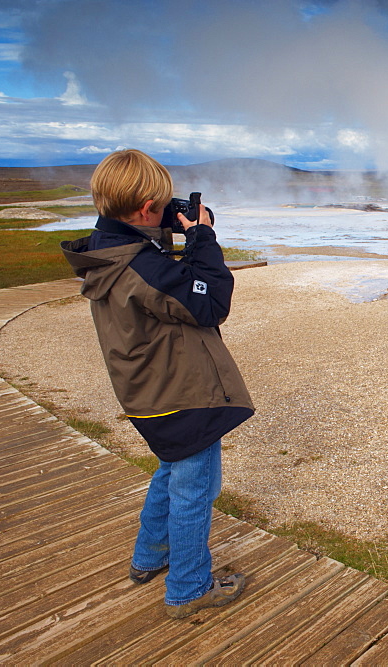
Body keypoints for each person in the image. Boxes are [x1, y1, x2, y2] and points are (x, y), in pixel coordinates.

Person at [61, 149, 255, 619]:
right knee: (195, 490)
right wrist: (203, 236)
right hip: (181, 395)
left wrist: (172, 229)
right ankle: (189, 589)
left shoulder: (109, 247)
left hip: (148, 391)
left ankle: (150, 556)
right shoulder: (141, 265)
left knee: (171, 470)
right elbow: (210, 303)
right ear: (146, 207)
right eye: (161, 203)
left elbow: (168, 280)